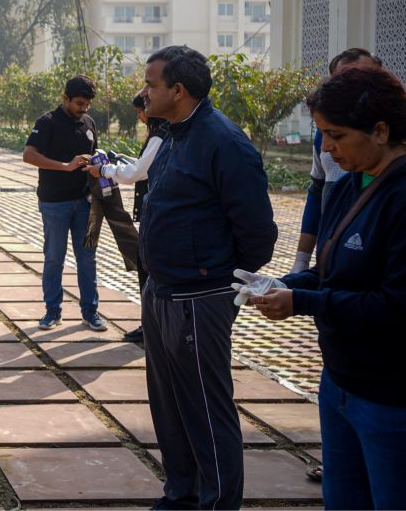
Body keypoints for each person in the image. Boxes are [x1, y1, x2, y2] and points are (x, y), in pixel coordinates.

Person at [248, 66, 406, 510]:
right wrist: (282, 284)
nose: (327, 149)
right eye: (322, 135)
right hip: (339, 381)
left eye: (336, 136)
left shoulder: (399, 197)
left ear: (380, 131)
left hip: (389, 396)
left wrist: (301, 301)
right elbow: (331, 272)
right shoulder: (350, 185)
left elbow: (395, 305)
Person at [138, 45, 277, 510]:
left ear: (177, 90)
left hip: (199, 297)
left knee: (205, 410)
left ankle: (217, 503)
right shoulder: (173, 135)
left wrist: (214, 277)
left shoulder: (223, 142)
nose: (144, 93)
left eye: (151, 85)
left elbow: (257, 232)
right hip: (161, 290)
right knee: (170, 406)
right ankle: (182, 493)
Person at [23, 75, 106, 332]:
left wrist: (98, 163)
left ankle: (90, 312)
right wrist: (65, 166)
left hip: (86, 203)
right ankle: (52, 311)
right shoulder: (47, 122)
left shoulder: (89, 123)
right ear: (65, 98)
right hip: (55, 203)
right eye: (79, 103)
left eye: (88, 104)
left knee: (88, 258)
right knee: (54, 258)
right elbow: (29, 155)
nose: (84, 108)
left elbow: (94, 152)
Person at [85, 93, 169, 343]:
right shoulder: (164, 133)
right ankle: (152, 325)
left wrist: (104, 169)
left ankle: (152, 327)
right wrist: (119, 160)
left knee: (148, 269)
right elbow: (143, 166)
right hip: (158, 211)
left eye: (140, 111)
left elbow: (137, 173)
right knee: (147, 267)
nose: (140, 116)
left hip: (157, 213)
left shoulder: (160, 134)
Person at [291, 48, 382, 275]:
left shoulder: (395, 191)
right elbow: (317, 191)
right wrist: (300, 266)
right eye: (344, 83)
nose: (328, 147)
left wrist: (300, 294)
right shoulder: (343, 183)